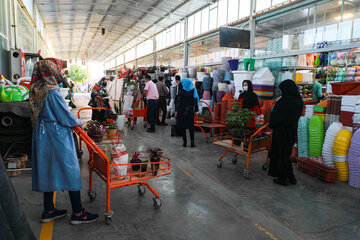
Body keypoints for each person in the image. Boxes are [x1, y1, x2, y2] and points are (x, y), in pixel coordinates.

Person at [29, 59, 98, 224]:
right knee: (70, 168)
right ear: (51, 72)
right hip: (56, 134)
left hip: (42, 134)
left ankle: (49, 210)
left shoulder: (34, 89)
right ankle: (78, 212)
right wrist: (79, 122)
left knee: (47, 169)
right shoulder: (51, 91)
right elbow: (63, 116)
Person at [268, 80, 304, 186]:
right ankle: (291, 177)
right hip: (292, 130)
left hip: (281, 131)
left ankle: (282, 177)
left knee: (280, 154)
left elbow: (276, 116)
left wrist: (278, 102)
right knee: (286, 154)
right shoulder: (298, 100)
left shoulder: (284, 101)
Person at [176, 78, 199, 147]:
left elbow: (178, 102)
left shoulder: (181, 91)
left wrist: (176, 111)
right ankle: (192, 142)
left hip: (182, 111)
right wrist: (195, 111)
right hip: (190, 111)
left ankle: (184, 142)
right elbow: (196, 102)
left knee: (183, 127)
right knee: (191, 127)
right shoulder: (194, 91)